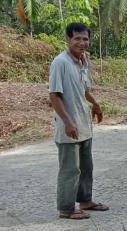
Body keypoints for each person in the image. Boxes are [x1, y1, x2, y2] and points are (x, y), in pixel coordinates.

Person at [49, 22, 109, 220]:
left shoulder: (84, 61)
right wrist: (67, 122)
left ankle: (85, 200)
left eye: (85, 39)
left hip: (84, 124)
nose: (82, 43)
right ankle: (66, 208)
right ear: (68, 39)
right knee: (70, 169)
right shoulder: (61, 62)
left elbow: (84, 90)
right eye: (77, 39)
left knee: (86, 167)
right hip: (70, 126)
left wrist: (96, 104)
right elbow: (55, 96)